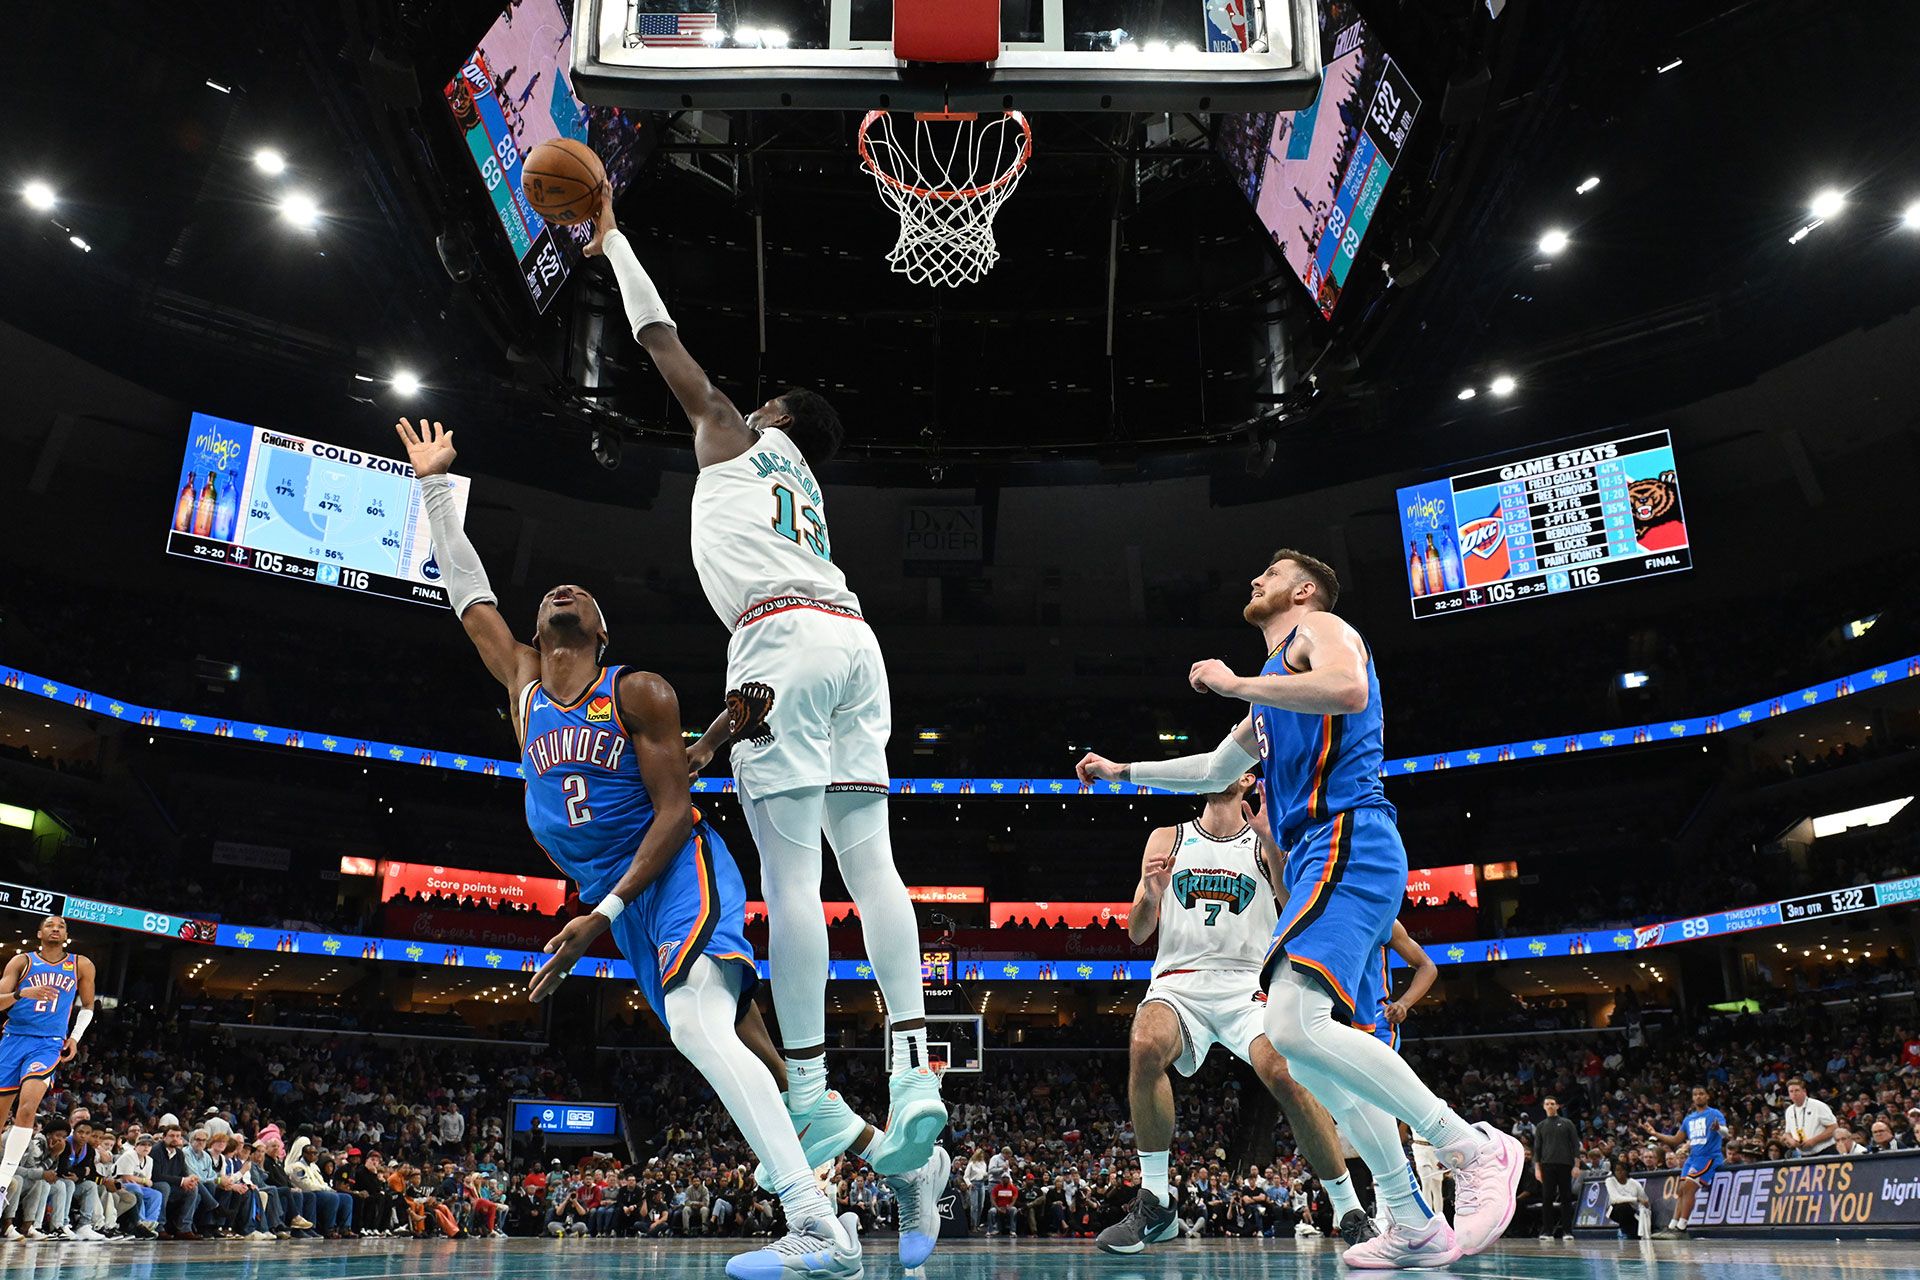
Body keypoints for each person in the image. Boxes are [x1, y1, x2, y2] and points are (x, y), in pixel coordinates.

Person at [396, 418, 942, 1278]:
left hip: (675, 871)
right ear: (539, 633)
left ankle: (817, 1227)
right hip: (622, 904)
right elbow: (467, 592)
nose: (563, 590)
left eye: (581, 596)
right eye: (549, 597)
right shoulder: (525, 689)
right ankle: (909, 1166)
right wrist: (433, 484)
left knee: (696, 1026)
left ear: (603, 637)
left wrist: (594, 917)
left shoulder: (636, 691)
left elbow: (674, 815)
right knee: (773, 1077)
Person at [585, 195, 946, 1182]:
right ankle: (915, 1074)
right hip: (853, 640)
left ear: (773, 415)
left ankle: (816, 1087)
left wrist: (615, 236)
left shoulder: (732, 434)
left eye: (758, 399)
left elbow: (659, 338)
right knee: (872, 865)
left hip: (778, 639)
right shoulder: (802, 484)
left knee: (795, 884)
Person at [1076, 549, 1522, 1269]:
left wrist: (1233, 681)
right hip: (1316, 853)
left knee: (1290, 1025)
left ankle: (1472, 1148)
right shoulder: (1270, 701)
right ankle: (1410, 1218)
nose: (1256, 579)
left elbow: (1348, 690)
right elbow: (1215, 771)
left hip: (1350, 836)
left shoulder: (1323, 629)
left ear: (1304, 589)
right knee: (1310, 1060)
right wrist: (1121, 771)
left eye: (1272, 573)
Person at [1094, 773, 1384, 1254]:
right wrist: (1150, 892)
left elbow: (1299, 912)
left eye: (1228, 763)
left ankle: (1349, 1209)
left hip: (1247, 982)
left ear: (1248, 778)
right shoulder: (1167, 837)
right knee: (1145, 1044)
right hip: (1178, 982)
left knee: (1286, 1074)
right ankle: (1155, 1200)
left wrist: (1273, 853)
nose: (1216, 770)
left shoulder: (1269, 836)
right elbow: (1138, 933)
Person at [0, 916, 96, 1217]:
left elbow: (89, 1006)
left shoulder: (80, 964)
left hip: (48, 1042)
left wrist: (75, 1038)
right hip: (13, 1038)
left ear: (66, 935)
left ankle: (2, 1184)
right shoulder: (21, 962)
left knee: (28, 1108)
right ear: (39, 933)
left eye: (61, 926)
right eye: (50, 925)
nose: (56, 928)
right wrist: (20, 994)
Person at [1644, 1085, 1730, 1238]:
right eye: (1695, 1094)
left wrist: (1718, 1128)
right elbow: (1676, 1139)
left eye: (1701, 1093)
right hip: (1693, 1158)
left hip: (1709, 1156)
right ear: (1692, 1098)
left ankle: (1682, 1227)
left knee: (1689, 1188)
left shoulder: (1714, 1113)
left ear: (1707, 1096)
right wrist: (1655, 1133)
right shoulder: (1689, 1119)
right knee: (1681, 1190)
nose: (1698, 1096)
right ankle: (1672, 1226)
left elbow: (1726, 1133)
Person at [1532, 1096, 1580, 1242]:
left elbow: (1575, 1145)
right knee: (1547, 1198)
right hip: (1547, 1166)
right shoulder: (1540, 1126)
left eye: (1553, 1104)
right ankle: (1547, 1232)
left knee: (1566, 1198)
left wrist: (1576, 1166)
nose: (1550, 1106)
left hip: (1565, 1165)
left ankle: (1567, 1231)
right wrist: (1537, 1169)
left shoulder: (1567, 1123)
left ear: (1557, 1106)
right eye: (1547, 1104)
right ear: (1544, 1106)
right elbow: (1537, 1149)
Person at [1780, 1078, 1837, 1158]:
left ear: (1804, 1091)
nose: (1794, 1094)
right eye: (1791, 1091)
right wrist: (1792, 1141)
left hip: (1825, 1152)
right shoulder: (1789, 1110)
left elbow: (1834, 1128)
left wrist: (1814, 1141)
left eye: (1797, 1090)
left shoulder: (1818, 1106)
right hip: (1804, 1155)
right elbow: (1787, 1133)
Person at [1603, 1159, 1651, 1239]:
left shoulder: (1634, 1183)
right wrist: (1636, 1199)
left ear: (1627, 1171)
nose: (1620, 1172)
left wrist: (1645, 1205)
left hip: (1632, 1211)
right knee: (1623, 1207)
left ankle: (1629, 1232)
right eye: (1617, 1170)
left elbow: (1645, 1200)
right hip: (1611, 1210)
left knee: (1635, 1232)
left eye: (1622, 1170)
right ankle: (1622, 1230)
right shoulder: (1609, 1181)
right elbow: (1615, 1199)